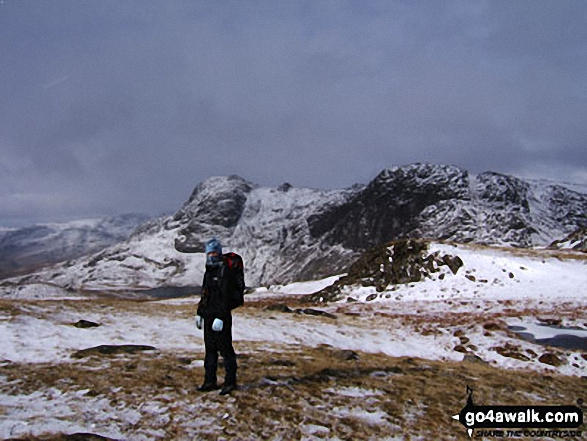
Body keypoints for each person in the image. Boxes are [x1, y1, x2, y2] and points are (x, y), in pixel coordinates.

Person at [195, 238, 241, 395]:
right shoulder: (209, 270)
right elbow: (205, 293)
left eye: (214, 252)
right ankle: (209, 381)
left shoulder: (225, 271)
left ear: (219, 252)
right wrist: (200, 313)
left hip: (221, 317)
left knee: (226, 350)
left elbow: (226, 296)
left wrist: (221, 316)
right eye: (209, 253)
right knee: (210, 351)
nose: (211, 255)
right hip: (208, 315)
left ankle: (230, 382)